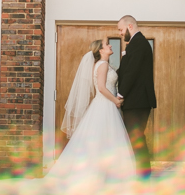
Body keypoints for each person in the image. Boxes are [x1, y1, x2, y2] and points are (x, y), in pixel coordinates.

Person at [49, 38, 136, 185]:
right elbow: (101, 88)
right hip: (105, 106)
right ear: (100, 50)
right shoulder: (102, 65)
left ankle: (106, 176)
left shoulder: (102, 64)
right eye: (106, 44)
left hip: (104, 106)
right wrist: (115, 101)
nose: (109, 45)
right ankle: (102, 177)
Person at [116, 15, 157, 179]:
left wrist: (120, 94)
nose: (120, 33)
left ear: (130, 26)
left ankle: (144, 177)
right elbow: (126, 70)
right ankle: (140, 175)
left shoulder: (138, 43)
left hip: (137, 101)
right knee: (135, 138)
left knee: (136, 138)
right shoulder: (135, 43)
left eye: (121, 29)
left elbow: (132, 72)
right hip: (136, 101)